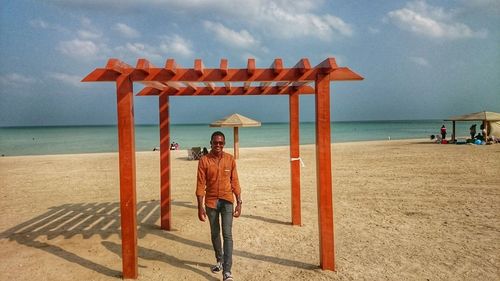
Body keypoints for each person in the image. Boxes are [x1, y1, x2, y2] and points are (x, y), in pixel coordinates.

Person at [196, 131, 242, 281]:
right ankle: (219, 261)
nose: (218, 145)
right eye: (215, 142)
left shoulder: (230, 159)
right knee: (215, 233)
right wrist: (200, 206)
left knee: (227, 235)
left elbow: (235, 181)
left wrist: (239, 202)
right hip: (211, 203)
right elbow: (200, 184)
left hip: (227, 201)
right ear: (210, 143)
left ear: (224, 144)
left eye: (220, 143)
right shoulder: (204, 160)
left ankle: (227, 271)